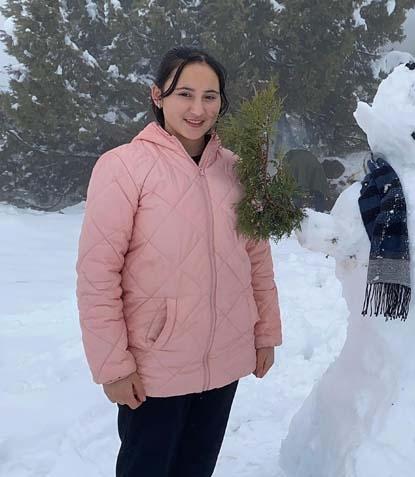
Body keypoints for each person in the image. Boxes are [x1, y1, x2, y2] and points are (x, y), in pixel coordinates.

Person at [75, 46, 283, 477]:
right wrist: (113, 366)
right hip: (155, 367)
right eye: (184, 93)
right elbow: (98, 274)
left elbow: (257, 259)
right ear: (158, 95)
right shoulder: (123, 167)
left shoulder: (237, 169)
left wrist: (264, 333)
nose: (198, 108)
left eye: (210, 96)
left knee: (197, 468)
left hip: (225, 358)